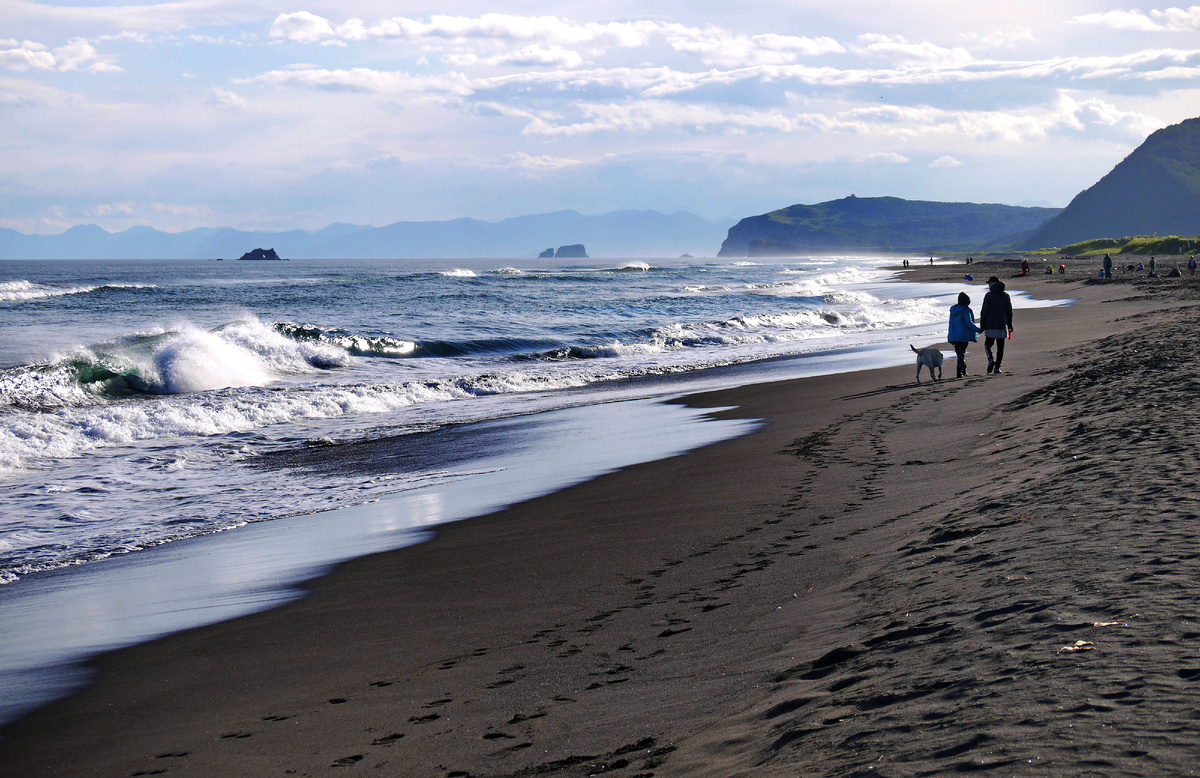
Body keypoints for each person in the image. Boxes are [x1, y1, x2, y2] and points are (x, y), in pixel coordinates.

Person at [979, 276, 1013, 375]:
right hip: (1002, 325)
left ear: (993, 283)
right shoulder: (1005, 295)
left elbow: (984, 311)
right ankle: (997, 368)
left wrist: (982, 325)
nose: (988, 285)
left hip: (990, 324)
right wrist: (1010, 325)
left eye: (989, 283)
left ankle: (990, 359)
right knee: (1000, 348)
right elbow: (1009, 311)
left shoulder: (989, 295)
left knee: (987, 345)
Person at [947, 291, 983, 378]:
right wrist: (978, 330)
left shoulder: (953, 310)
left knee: (959, 353)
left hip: (954, 335)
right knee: (961, 353)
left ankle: (963, 370)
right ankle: (960, 372)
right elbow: (969, 323)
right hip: (963, 335)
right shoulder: (966, 310)